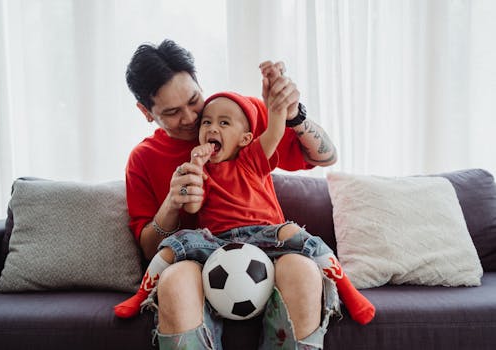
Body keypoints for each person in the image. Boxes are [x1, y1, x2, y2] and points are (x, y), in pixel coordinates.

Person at [122, 39, 341, 349]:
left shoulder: (235, 119)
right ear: (146, 111)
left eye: (193, 100)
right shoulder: (143, 159)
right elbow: (148, 250)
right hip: (199, 262)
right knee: (175, 279)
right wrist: (172, 204)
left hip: (267, 253)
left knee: (303, 270)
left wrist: (293, 115)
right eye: (172, 112)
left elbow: (325, 156)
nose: (191, 118)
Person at [115, 88, 376, 329]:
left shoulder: (252, 158)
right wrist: (193, 168)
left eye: (223, 123)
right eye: (207, 123)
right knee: (177, 242)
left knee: (296, 233)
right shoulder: (201, 170)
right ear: (147, 111)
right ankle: (141, 295)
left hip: (264, 234)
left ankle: (349, 292)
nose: (210, 127)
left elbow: (275, 132)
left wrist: (276, 104)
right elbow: (193, 206)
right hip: (216, 242)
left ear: (246, 138)